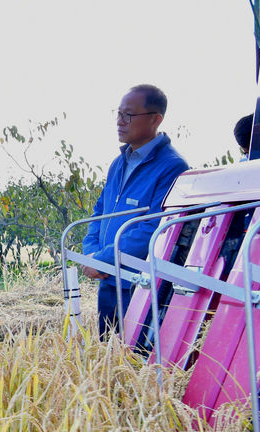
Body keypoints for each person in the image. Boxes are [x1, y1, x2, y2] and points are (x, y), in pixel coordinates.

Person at [82, 84, 189, 340]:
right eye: (118, 114)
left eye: (128, 115)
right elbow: (100, 212)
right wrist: (91, 254)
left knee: (136, 360)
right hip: (109, 279)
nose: (120, 122)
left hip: (140, 284)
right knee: (107, 354)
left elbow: (153, 227)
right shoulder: (119, 162)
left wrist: (103, 260)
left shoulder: (172, 167)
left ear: (155, 119)